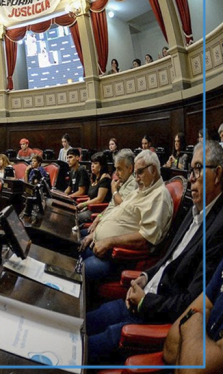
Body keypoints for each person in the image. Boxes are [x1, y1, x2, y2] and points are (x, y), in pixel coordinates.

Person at [87, 142, 223, 365]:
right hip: (144, 293)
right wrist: (145, 276)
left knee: (93, 343)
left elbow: (191, 302)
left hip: (156, 313)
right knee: (87, 320)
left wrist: (145, 302)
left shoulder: (218, 230)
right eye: (191, 171)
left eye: (198, 169)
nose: (191, 178)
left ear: (217, 174)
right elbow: (168, 258)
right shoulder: (196, 211)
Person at [78, 150, 173, 283]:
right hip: (100, 246)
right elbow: (116, 213)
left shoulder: (159, 196)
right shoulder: (140, 191)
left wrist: (109, 241)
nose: (136, 178)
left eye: (140, 172)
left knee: (76, 272)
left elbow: (146, 238)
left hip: (118, 258)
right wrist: (95, 234)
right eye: (135, 173)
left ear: (154, 170)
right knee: (69, 250)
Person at [77, 153, 112, 223]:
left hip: (99, 211)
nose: (92, 166)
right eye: (92, 163)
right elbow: (91, 197)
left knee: (75, 218)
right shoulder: (95, 178)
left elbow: (99, 199)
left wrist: (84, 204)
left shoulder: (105, 178)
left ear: (101, 166)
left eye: (95, 163)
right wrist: (85, 206)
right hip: (90, 209)